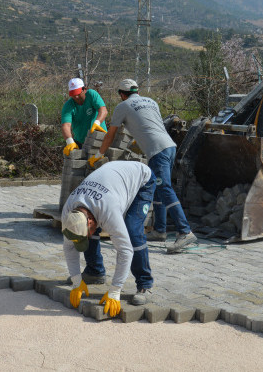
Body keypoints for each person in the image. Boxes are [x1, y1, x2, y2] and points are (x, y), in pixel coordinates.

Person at [89, 78, 197, 254]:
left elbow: (111, 134)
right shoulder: (151, 101)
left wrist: (99, 154)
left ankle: (185, 231)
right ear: (137, 91)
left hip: (157, 151)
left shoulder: (122, 107)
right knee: (158, 188)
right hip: (169, 147)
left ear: (122, 94)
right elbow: (147, 124)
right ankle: (160, 230)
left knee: (165, 189)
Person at [62, 161, 156, 313]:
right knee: (88, 234)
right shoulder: (69, 213)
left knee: (132, 232)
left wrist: (115, 290)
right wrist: (76, 281)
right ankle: (95, 272)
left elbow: (125, 251)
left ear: (91, 221)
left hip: (142, 179)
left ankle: (145, 284)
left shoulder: (108, 210)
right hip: (112, 181)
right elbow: (69, 247)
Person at [61, 77, 107, 156]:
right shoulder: (68, 105)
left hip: (100, 139)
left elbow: (103, 110)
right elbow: (66, 125)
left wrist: (97, 123)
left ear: (84, 89)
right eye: (73, 94)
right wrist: (70, 141)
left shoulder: (91, 94)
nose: (76, 97)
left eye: (78, 94)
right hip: (81, 142)